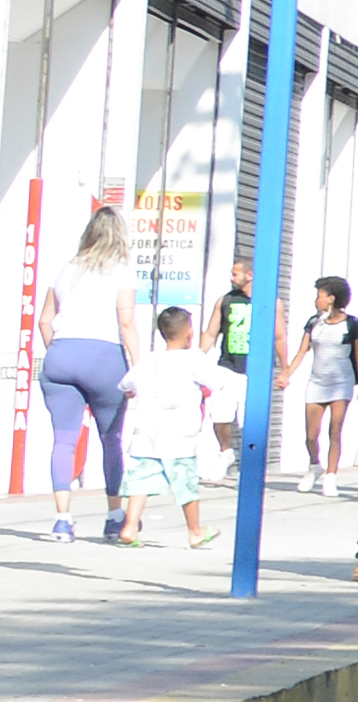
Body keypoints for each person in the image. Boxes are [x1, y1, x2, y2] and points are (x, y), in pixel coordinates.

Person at [38, 204, 126, 542]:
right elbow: (127, 323)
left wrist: (58, 351)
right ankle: (114, 516)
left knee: (63, 439)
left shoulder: (67, 269)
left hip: (62, 356)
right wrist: (136, 366)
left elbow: (46, 320)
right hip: (105, 358)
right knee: (111, 439)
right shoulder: (121, 271)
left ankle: (62, 520)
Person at [124, 303, 232, 547]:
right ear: (189, 333)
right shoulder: (194, 359)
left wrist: (131, 392)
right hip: (180, 435)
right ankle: (194, 531)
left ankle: (130, 527)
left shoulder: (150, 359)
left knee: (140, 479)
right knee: (185, 483)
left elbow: (126, 384)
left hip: (146, 433)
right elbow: (216, 382)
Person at [290, 272, 356, 491]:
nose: (315, 300)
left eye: (319, 295)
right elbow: (302, 351)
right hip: (317, 382)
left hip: (341, 383)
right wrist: (286, 373)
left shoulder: (351, 325)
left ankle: (331, 476)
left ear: (331, 298)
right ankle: (314, 465)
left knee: (335, 429)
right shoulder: (314, 323)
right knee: (311, 434)